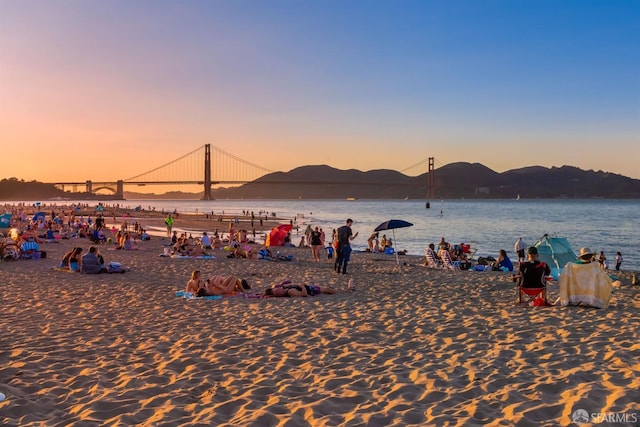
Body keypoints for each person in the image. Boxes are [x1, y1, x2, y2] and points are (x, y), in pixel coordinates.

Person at [265, 278, 355, 297]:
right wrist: (302, 286)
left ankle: (346, 289)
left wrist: (282, 285)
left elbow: (287, 282)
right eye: (277, 290)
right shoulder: (290, 292)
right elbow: (304, 294)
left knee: (327, 289)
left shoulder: (285, 288)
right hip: (311, 291)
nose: (278, 289)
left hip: (310, 287)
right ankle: (347, 290)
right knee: (328, 290)